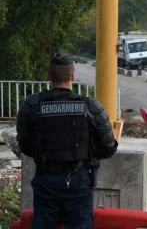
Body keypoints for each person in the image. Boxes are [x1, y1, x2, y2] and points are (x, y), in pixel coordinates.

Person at [16, 49, 118, 229]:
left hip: (46, 179)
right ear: (72, 76)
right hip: (78, 181)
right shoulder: (91, 107)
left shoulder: (31, 105)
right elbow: (109, 147)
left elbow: (24, 144)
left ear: (49, 76)